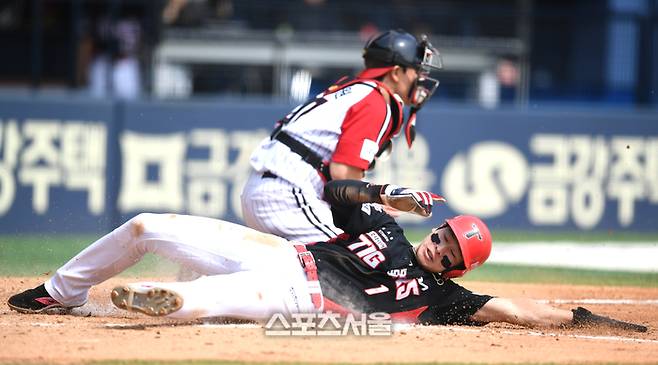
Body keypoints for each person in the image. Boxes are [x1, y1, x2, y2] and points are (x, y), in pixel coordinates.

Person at [7, 180, 646, 332]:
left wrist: (584, 320)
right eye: (445, 232)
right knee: (147, 223)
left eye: (450, 248)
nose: (440, 241)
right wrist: (385, 194)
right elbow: (332, 189)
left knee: (196, 305)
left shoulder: (444, 300)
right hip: (284, 257)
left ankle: (167, 302)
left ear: (457, 268)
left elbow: (517, 309)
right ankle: (57, 293)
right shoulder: (387, 227)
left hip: (301, 303)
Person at [241, 29, 442, 243]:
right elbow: (343, 172)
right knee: (352, 260)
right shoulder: (375, 100)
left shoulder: (353, 89)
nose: (420, 78)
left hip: (270, 190)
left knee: (297, 269)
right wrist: (375, 201)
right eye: (415, 70)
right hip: (288, 195)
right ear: (395, 73)